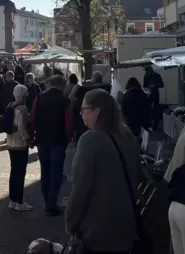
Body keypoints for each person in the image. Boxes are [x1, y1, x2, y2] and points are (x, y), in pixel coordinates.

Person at [66, 89, 140, 254]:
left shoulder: (90, 139)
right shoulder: (128, 137)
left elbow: (80, 188)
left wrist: (70, 220)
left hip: (98, 230)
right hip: (127, 226)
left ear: (96, 112)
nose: (81, 114)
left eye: (84, 109)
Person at [31, 74, 73, 216]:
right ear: (62, 84)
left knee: (45, 172)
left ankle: (46, 200)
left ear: (50, 84)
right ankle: (51, 203)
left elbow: (33, 118)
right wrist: (67, 140)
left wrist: (32, 137)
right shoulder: (65, 101)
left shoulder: (40, 98)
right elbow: (68, 124)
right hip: (58, 141)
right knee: (56, 173)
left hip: (42, 140)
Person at [7, 84, 33, 211]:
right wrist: (28, 140)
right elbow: (22, 127)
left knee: (13, 172)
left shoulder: (10, 105)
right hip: (20, 145)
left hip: (10, 143)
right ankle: (19, 201)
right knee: (20, 173)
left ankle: (12, 199)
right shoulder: (22, 109)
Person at [143, 65, 164, 130]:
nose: (147, 73)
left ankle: (155, 124)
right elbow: (144, 85)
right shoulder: (146, 76)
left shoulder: (157, 76)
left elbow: (162, 85)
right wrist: (148, 87)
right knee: (149, 110)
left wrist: (155, 85)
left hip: (156, 94)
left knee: (156, 110)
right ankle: (150, 124)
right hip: (149, 95)